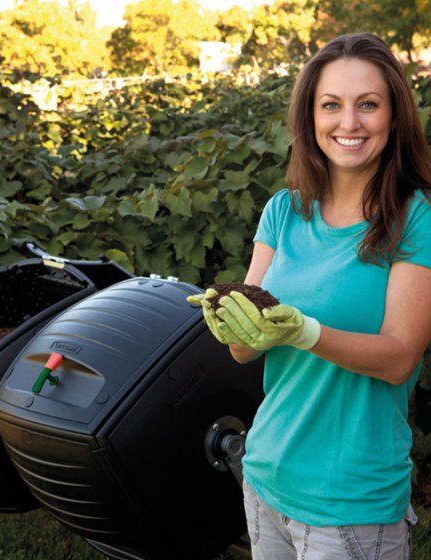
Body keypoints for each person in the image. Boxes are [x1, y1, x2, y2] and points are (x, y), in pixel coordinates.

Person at [188, 32, 431, 559]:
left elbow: (400, 358)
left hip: (349, 502)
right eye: (331, 105)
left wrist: (305, 330)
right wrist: (233, 325)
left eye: (368, 104)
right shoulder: (283, 211)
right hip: (266, 477)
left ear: (393, 116)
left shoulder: (416, 218)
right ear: (310, 117)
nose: (349, 123)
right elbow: (246, 349)